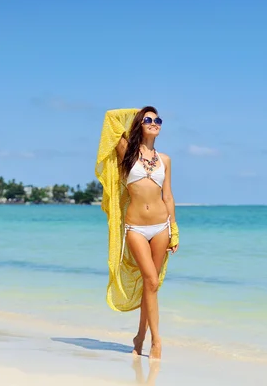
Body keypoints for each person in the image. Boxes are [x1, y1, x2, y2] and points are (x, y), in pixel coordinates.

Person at [95, 106, 179, 361]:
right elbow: (110, 118)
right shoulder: (126, 152)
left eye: (158, 120)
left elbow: (168, 195)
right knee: (150, 282)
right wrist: (139, 113)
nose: (154, 123)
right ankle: (156, 341)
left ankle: (140, 337)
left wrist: (174, 229)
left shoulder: (164, 159)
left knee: (151, 286)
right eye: (148, 120)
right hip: (136, 228)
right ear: (138, 124)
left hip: (161, 226)